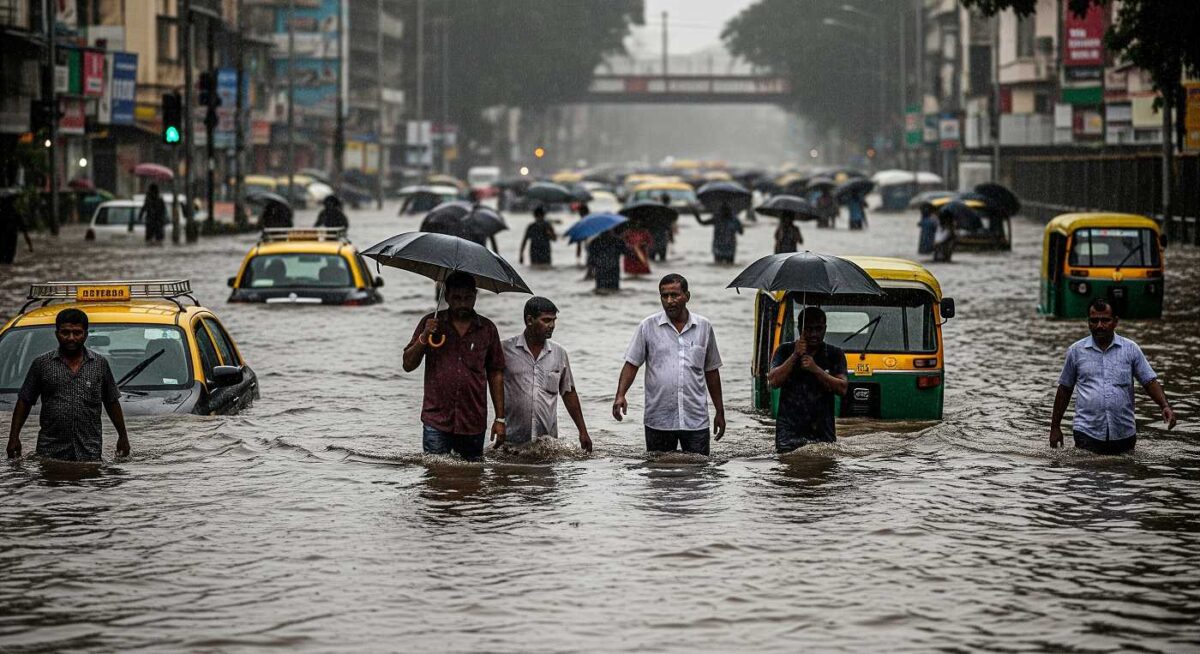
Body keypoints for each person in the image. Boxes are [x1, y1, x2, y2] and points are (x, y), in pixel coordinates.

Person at [613, 274, 725, 455]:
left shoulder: (704, 327)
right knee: (659, 475)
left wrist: (720, 411)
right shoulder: (647, 326)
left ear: (687, 296)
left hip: (695, 419)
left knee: (699, 474)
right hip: (659, 419)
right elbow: (632, 364)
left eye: (675, 295)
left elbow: (711, 371)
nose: (669, 301)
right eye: (664, 296)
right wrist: (620, 395)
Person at [1049, 298, 1176, 455]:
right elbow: (1064, 389)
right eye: (1094, 321)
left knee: (1123, 473)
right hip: (1087, 431)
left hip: (1124, 432)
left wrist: (1164, 406)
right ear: (1088, 322)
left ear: (1115, 321)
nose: (1099, 325)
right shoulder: (1076, 351)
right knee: (1086, 475)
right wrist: (1055, 427)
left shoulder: (1131, 349)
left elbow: (1149, 381)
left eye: (1105, 320)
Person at [402, 271, 506, 460]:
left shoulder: (487, 329)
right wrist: (424, 336)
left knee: (472, 480)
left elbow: (496, 373)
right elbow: (408, 364)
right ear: (447, 296)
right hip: (436, 420)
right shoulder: (431, 324)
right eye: (457, 298)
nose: (462, 303)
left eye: (467, 298)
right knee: (435, 478)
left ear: (475, 296)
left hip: (473, 421)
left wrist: (500, 419)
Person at [7, 308, 130, 461]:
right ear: (56, 333)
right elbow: (24, 401)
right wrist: (14, 438)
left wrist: (123, 437)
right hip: (50, 451)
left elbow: (111, 401)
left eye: (77, 333)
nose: (71, 338)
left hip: (89, 451)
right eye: (65, 332)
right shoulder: (42, 364)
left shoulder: (99, 364)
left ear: (85, 334)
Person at [501, 297, 592, 452]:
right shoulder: (505, 350)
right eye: (546, 320)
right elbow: (488, 383)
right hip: (511, 442)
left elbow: (569, 393)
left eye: (554, 321)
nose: (552, 326)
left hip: (547, 445)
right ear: (529, 320)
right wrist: (498, 420)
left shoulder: (559, 354)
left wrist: (582, 431)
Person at [766, 307, 849, 453]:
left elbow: (842, 388)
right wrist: (795, 356)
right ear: (799, 329)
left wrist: (815, 369)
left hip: (822, 433)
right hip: (788, 434)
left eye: (818, 329)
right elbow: (773, 381)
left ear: (825, 328)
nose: (814, 334)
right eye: (809, 329)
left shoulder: (834, 353)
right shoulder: (784, 350)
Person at [587, 228, 639, 293]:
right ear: (611, 229)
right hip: (613, 272)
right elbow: (630, 254)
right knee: (614, 292)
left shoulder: (594, 242)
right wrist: (634, 248)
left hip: (600, 272)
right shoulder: (617, 241)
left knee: (600, 291)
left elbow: (591, 259)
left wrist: (590, 271)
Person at [649, 193, 674, 262]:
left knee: (652, 259)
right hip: (662, 240)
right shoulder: (668, 211)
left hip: (652, 240)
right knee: (662, 260)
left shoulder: (651, 213)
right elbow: (669, 227)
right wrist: (671, 238)